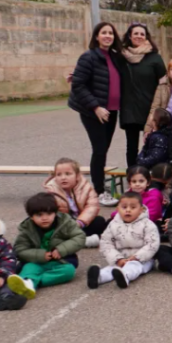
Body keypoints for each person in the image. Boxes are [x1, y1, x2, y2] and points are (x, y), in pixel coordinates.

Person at [69, 22, 125, 206]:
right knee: (99, 150)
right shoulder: (88, 57)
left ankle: (100, 186)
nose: (108, 36)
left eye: (110, 33)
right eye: (104, 33)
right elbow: (78, 85)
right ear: (96, 36)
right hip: (94, 112)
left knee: (103, 150)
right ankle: (99, 191)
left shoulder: (116, 57)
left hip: (111, 111)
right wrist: (95, 107)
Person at [86, 192, 160, 290]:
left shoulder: (147, 224)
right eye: (124, 207)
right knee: (111, 268)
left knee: (133, 267)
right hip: (120, 257)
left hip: (142, 259)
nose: (128, 210)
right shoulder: (113, 224)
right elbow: (106, 243)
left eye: (133, 207)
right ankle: (98, 277)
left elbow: (152, 243)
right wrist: (117, 258)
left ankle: (125, 277)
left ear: (141, 210)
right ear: (118, 208)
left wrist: (137, 257)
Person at [116, 24, 166, 167]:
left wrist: (161, 106)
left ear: (146, 37)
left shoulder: (155, 58)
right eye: (135, 33)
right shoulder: (121, 57)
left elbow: (163, 84)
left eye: (142, 34)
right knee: (131, 146)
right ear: (130, 36)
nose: (139, 36)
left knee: (153, 143)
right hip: (129, 107)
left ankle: (151, 175)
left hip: (150, 107)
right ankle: (133, 173)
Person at [14, 193, 86, 292]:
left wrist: (61, 249)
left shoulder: (65, 222)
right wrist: (40, 255)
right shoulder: (27, 229)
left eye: (49, 214)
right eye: (39, 215)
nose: (45, 218)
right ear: (31, 216)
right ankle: (26, 283)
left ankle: (31, 283)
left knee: (69, 271)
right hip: (36, 262)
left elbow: (79, 237)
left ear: (55, 213)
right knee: (29, 268)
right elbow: (20, 249)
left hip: (60, 262)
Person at [43, 157, 105, 246]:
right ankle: (83, 240)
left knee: (99, 221)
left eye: (68, 174)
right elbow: (52, 213)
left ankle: (77, 240)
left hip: (81, 223)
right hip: (65, 225)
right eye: (59, 174)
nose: (63, 178)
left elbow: (92, 206)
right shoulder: (51, 190)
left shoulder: (86, 187)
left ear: (77, 176)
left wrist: (80, 222)